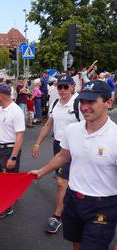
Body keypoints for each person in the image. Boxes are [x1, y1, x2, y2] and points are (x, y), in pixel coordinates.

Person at [30, 80, 117, 250]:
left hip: (103, 206)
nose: (84, 107)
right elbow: (64, 155)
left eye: (91, 101)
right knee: (76, 244)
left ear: (108, 102)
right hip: (73, 200)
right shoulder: (73, 130)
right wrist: (42, 171)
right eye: (83, 101)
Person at [32, 75, 81, 234]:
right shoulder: (54, 103)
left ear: (73, 87)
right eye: (60, 87)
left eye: (66, 87)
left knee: (62, 181)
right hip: (59, 145)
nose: (62, 90)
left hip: (77, 148)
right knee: (65, 181)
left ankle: (57, 215)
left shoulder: (79, 103)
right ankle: (71, 206)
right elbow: (48, 124)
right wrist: (37, 143)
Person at [0, 84, 25, 219]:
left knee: (9, 180)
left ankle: (7, 207)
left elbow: (20, 135)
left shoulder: (16, 111)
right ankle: (4, 200)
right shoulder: (1, 108)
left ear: (1, 95)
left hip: (10, 149)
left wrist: (13, 157)